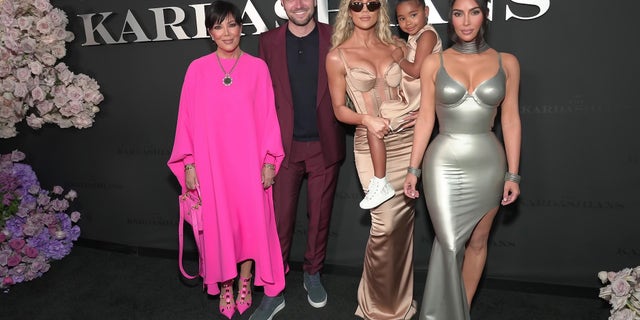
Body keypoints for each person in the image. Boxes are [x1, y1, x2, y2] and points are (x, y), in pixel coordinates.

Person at [403, 0, 522, 318]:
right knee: (449, 243)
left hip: (488, 162)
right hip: (443, 162)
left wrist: (513, 174)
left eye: (474, 12)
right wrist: (413, 168)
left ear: (484, 15)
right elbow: (426, 118)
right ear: (450, 19)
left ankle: (460, 311)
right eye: (458, 13)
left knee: (479, 242)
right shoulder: (433, 62)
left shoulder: (506, 62)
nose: (466, 21)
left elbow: (510, 120)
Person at [167, 2, 286, 320]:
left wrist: (269, 161)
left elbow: (268, 117)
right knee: (220, 229)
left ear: (241, 28)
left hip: (249, 165)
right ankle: (226, 286)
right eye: (218, 27)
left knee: (249, 227)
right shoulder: (197, 69)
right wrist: (189, 164)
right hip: (211, 166)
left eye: (232, 25)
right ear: (210, 32)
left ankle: (246, 280)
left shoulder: (258, 68)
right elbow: (186, 121)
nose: (226, 32)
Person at [326, 0, 419, 318]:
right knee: (384, 226)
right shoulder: (337, 56)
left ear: (380, 9)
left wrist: (421, 112)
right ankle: (378, 308)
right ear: (347, 11)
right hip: (370, 144)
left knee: (403, 226)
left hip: (407, 142)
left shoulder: (396, 45)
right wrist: (366, 120)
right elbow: (339, 108)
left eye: (372, 3)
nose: (364, 10)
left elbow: (415, 87)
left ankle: (400, 302)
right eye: (356, 4)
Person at [258, 0, 346, 310]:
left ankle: (313, 273)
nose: (299, 4)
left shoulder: (336, 35)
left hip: (325, 144)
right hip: (283, 148)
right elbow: (262, 97)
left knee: (320, 218)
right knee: (279, 221)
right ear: (282, 3)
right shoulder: (267, 42)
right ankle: (275, 284)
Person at [355, 0, 443, 210]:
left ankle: (380, 181)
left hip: (418, 100)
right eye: (402, 19)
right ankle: (380, 180)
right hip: (410, 99)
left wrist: (399, 58)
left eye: (413, 15)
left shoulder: (428, 35)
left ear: (426, 12)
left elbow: (415, 70)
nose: (408, 22)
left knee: (374, 126)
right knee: (376, 122)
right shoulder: (414, 37)